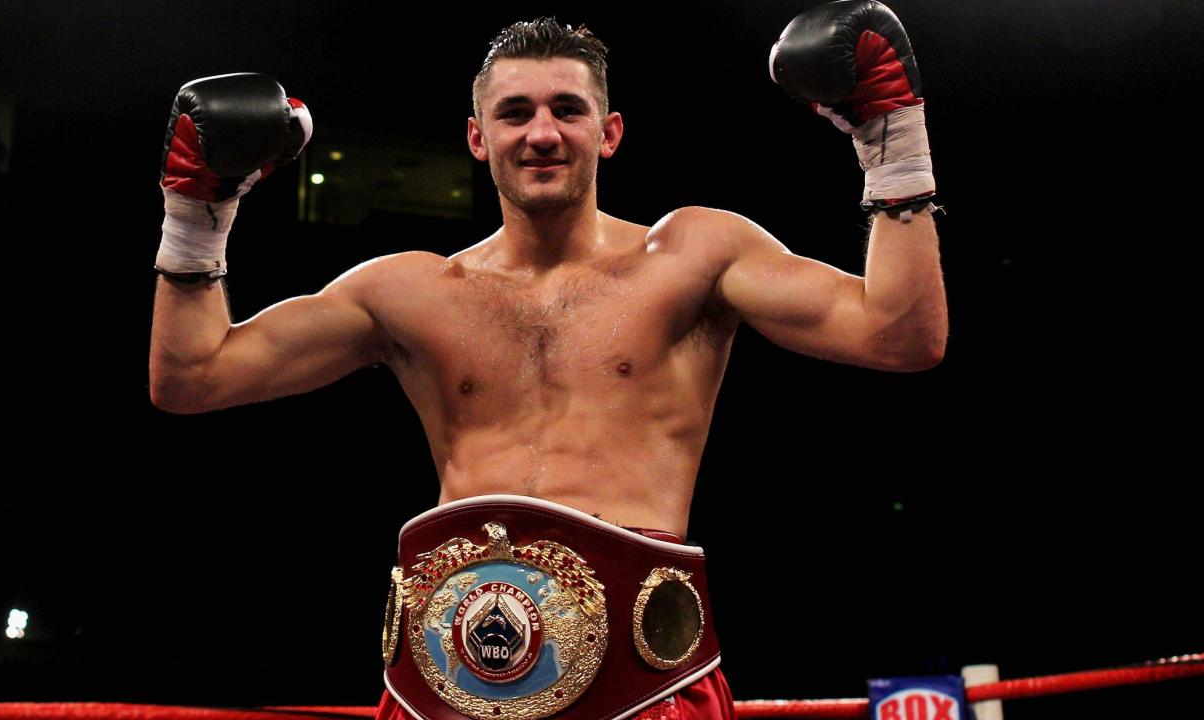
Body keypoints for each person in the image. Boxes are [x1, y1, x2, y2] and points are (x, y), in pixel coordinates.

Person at [149, 5, 946, 719]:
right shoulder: (407, 291)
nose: (541, 134)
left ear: (609, 132)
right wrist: (196, 215)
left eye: (567, 109)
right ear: (477, 137)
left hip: (641, 692)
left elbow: (899, 336)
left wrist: (894, 142)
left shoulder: (694, 255)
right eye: (515, 113)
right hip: (443, 692)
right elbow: (192, 378)